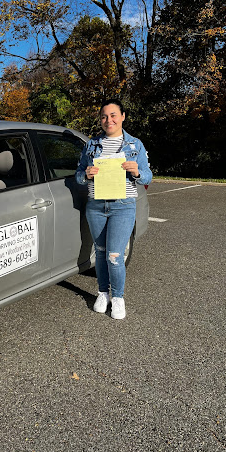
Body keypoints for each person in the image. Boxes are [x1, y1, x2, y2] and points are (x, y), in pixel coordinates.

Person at [75, 98, 152, 319]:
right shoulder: (91, 144)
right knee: (99, 253)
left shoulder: (135, 145)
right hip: (96, 205)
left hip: (122, 206)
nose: (109, 120)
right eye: (104, 116)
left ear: (123, 116)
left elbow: (148, 176)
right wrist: (85, 174)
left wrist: (137, 172)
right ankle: (103, 293)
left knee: (115, 255)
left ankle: (118, 297)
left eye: (113, 115)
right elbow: (78, 175)